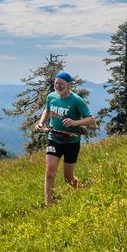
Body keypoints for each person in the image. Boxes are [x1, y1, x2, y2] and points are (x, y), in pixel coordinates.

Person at [34, 71, 95, 206]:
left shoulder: (76, 100)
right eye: (56, 83)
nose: (58, 86)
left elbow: (91, 120)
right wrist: (41, 122)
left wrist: (75, 123)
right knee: (50, 171)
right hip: (54, 139)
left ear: (68, 85)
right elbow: (48, 110)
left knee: (68, 178)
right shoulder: (51, 96)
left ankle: (82, 192)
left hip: (71, 143)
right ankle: (48, 204)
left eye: (61, 83)